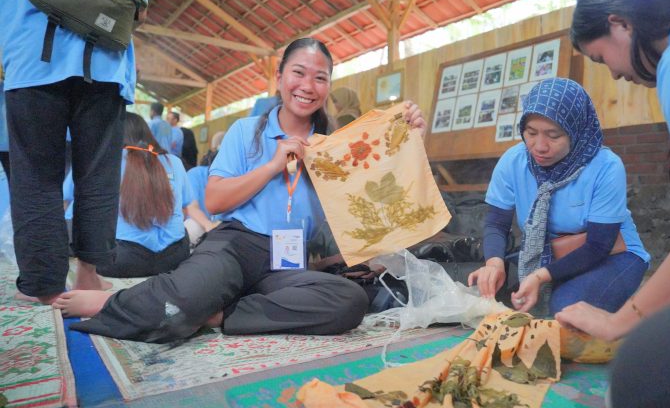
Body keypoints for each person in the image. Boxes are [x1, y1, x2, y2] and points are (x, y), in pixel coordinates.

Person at [52, 38, 426, 344]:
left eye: (320, 78)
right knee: (179, 301)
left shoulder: (335, 147)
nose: (307, 86)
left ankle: (223, 314)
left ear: (328, 86)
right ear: (280, 77)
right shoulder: (246, 132)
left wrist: (411, 142)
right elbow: (214, 201)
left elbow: (380, 202)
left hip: (288, 260)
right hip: (236, 244)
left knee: (348, 301)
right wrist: (272, 166)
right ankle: (112, 301)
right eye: (298, 73)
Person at [553, 0, 670, 408]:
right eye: (532, 134)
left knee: (643, 369)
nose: (615, 74)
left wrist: (623, 319)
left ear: (621, 24)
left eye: (601, 59)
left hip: (621, 259)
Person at [0, 0, 147, 304]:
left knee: (35, 177)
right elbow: (139, 10)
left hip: (30, 58)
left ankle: (44, 286)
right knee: (98, 174)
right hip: (104, 60)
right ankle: (88, 276)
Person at [468, 78, 649, 317]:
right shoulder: (514, 161)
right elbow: (496, 224)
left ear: (576, 131)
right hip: (552, 252)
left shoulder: (606, 167)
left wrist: (540, 276)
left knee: (566, 310)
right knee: (488, 294)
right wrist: (494, 264)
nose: (539, 146)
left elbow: (599, 246)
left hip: (612, 254)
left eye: (553, 135)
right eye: (531, 133)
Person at [97, 112, 212, 277]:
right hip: (175, 258)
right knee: (190, 225)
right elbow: (189, 207)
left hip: (121, 261)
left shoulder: (107, 161)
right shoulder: (174, 161)